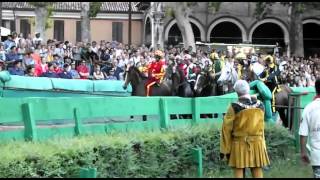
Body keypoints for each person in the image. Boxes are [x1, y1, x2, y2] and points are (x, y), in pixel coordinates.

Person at [220, 80, 270, 178]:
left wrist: (225, 150)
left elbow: (226, 129)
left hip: (239, 144)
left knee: (239, 170)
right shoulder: (261, 105)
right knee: (257, 170)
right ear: (248, 89)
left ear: (236, 92)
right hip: (257, 143)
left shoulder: (233, 107)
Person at [299, 79, 320, 178]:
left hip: (317, 157)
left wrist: (303, 152)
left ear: (316, 89)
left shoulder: (309, 108)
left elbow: (303, 132)